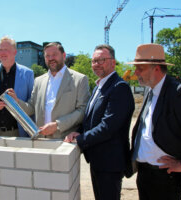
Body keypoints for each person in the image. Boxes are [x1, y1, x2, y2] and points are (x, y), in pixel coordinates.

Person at [127, 43, 181, 199]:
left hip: (165, 178)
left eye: (140, 68)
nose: (136, 72)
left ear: (156, 68)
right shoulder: (150, 90)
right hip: (145, 174)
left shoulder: (177, 92)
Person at [64, 44, 135, 200]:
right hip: (98, 160)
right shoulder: (98, 87)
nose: (96, 64)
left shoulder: (119, 87)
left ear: (113, 62)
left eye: (101, 60)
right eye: (94, 61)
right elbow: (90, 119)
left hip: (110, 162)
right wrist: (79, 131)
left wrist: (80, 139)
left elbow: (108, 126)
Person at [9, 42, 90, 139]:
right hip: (41, 139)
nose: (51, 58)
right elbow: (31, 108)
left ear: (63, 55)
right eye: (47, 56)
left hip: (66, 140)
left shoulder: (80, 79)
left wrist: (57, 125)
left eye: (54, 55)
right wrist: (17, 101)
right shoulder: (38, 81)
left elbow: (82, 111)